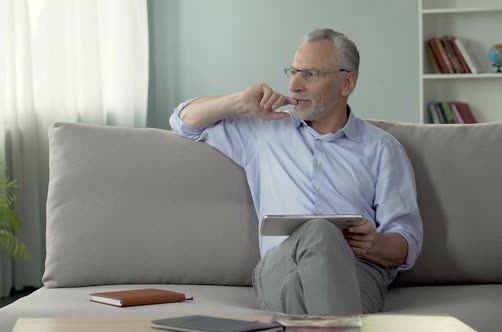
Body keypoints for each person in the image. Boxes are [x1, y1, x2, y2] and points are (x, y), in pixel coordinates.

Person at [169, 28, 423, 315]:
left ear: (347, 82)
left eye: (311, 74)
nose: (294, 85)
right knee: (319, 231)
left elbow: (405, 243)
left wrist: (373, 243)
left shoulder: (383, 149)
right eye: (294, 71)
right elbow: (183, 121)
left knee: (312, 273)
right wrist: (240, 101)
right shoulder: (265, 131)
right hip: (282, 266)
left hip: (356, 272)